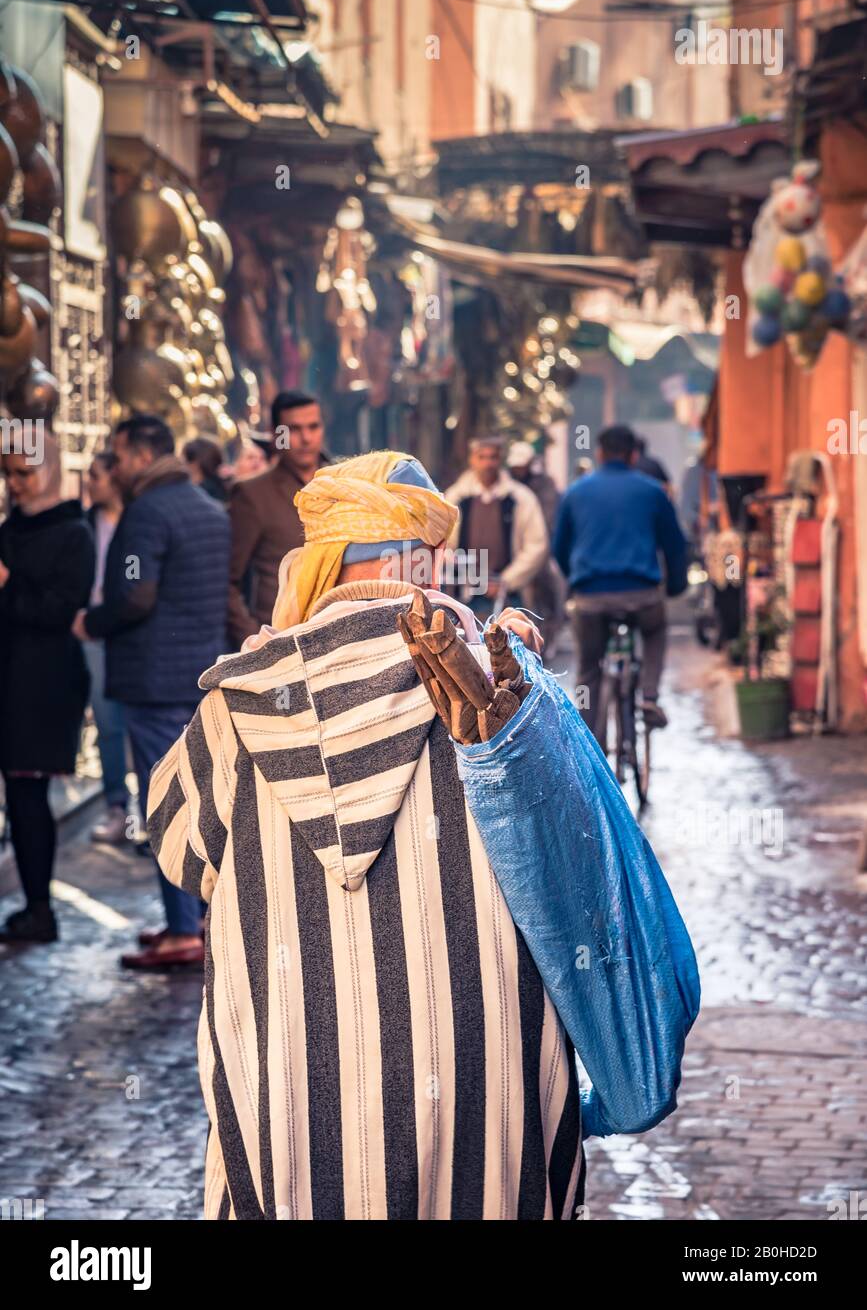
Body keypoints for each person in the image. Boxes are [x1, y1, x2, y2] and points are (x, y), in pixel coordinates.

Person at [147, 449, 698, 1220]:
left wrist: (268, 644)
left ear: (316, 564)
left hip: (299, 1117)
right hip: (490, 1115)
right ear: (426, 562)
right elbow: (585, 882)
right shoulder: (498, 694)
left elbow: (175, 846)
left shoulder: (237, 705)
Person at [72, 415, 230, 970]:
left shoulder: (146, 513)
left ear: (141, 455)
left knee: (164, 803)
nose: (114, 467)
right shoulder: (208, 509)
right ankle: (194, 919)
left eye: (118, 454)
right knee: (203, 798)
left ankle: (184, 928)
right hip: (196, 674)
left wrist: (93, 622)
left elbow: (135, 595)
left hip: (153, 679)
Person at [0, 435, 94, 943]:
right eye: (8, 474)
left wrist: (8, 584)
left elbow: (60, 610)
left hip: (42, 685)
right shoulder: (12, 528)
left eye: (24, 473)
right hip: (12, 675)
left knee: (29, 794)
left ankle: (40, 910)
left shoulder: (72, 532)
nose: (15, 485)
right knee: (19, 796)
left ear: (50, 470)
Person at [553, 423, 688, 735]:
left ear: (599, 453)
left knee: (589, 668)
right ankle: (650, 697)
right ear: (633, 455)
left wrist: (576, 578)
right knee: (654, 634)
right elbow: (675, 545)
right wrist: (676, 585)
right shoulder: (653, 491)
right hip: (642, 594)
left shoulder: (576, 492)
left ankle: (589, 740)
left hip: (590, 598)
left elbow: (560, 547)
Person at [227, 391, 327, 648]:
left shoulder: (343, 485)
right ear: (276, 435)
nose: (306, 438)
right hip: (280, 642)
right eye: (294, 429)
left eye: (313, 427)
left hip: (337, 638)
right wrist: (256, 644)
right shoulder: (253, 495)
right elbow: (228, 581)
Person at [445, 437, 548, 618]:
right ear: (472, 460)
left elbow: (537, 545)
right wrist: (470, 576)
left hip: (510, 593)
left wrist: (506, 581)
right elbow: (443, 544)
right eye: (482, 457)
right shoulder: (455, 498)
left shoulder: (521, 498)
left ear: (500, 460)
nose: (487, 463)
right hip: (465, 592)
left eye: (493, 457)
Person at [84, 450, 130, 846]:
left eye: (95, 475)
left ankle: (153, 816)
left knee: (144, 724)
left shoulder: (139, 519)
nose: (88, 482)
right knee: (108, 723)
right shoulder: (86, 523)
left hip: (133, 631)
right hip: (95, 631)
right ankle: (117, 807)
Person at [507, 440, 567, 652]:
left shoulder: (545, 486)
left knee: (552, 588)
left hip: (539, 549)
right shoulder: (508, 487)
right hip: (513, 552)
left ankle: (551, 632)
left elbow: (549, 519)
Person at [182, 435, 229, 505]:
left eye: (183, 460)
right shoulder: (225, 488)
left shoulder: (195, 496)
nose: (181, 466)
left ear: (194, 464)